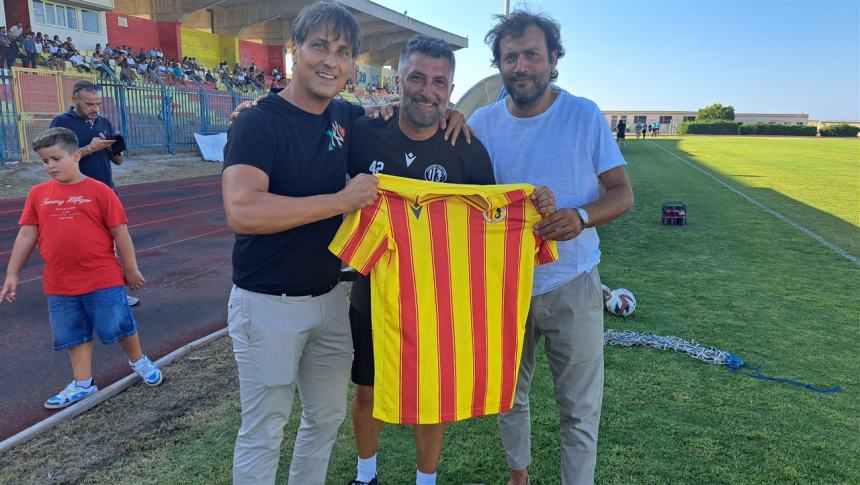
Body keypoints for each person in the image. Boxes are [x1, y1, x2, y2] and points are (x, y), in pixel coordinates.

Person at [468, 11, 634, 485]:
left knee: (579, 408)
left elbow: (622, 194)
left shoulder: (582, 114)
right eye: (510, 57)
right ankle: (518, 476)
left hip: (573, 282)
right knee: (509, 394)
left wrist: (579, 217)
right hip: (504, 286)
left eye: (531, 55)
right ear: (499, 64)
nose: (520, 66)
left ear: (553, 58)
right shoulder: (482, 123)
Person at [221, 3, 381, 483]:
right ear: (294, 51)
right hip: (268, 302)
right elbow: (243, 211)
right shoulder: (257, 122)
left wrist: (450, 114)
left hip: (331, 298)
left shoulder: (346, 117)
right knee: (265, 429)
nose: (330, 61)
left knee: (326, 418)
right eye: (319, 47)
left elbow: (402, 122)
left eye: (343, 52)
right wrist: (339, 200)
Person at [0, 127, 162, 410]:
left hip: (102, 277)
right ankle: (83, 383)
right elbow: (27, 235)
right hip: (59, 283)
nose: (50, 166)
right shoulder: (38, 194)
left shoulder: (100, 191)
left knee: (119, 325)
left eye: (56, 158)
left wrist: (131, 269)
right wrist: (12, 274)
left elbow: (120, 233)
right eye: (44, 161)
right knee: (72, 333)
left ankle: (139, 361)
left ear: (76, 156)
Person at [50, 81, 139, 307]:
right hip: (75, 196)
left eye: (97, 104)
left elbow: (117, 161)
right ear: (74, 101)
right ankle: (77, 293)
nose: (95, 109)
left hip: (107, 192)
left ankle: (114, 291)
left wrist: (116, 149)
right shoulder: (61, 123)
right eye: (89, 104)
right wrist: (90, 148)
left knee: (113, 244)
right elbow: (58, 161)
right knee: (83, 246)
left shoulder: (104, 122)